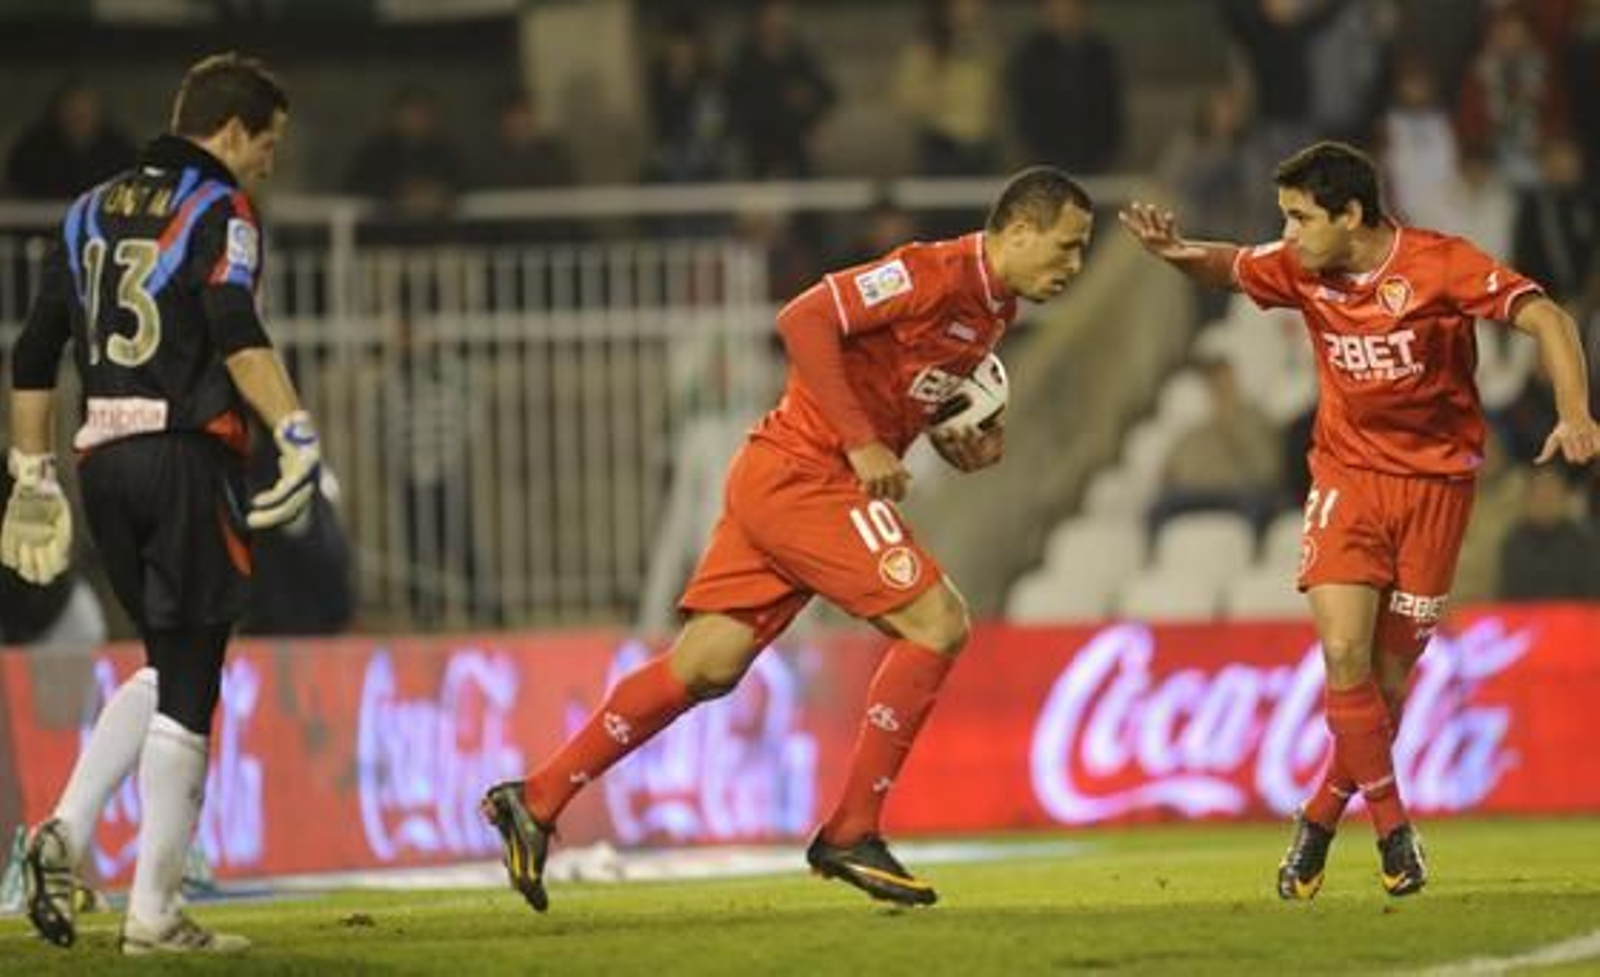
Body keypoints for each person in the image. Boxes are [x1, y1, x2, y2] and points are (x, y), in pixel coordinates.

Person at [482, 167, 1094, 911]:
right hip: (808, 474)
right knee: (938, 623)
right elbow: (803, 319)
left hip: (784, 476)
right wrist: (862, 442)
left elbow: (900, 384)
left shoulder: (996, 309)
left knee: (706, 665)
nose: (1074, 265)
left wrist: (957, 439)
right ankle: (851, 829)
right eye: (1067, 247)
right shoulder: (929, 272)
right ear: (1019, 231)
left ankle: (535, 798)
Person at [1120, 141, 1597, 899]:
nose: (1289, 233)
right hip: (1347, 480)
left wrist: (1574, 413)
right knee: (1343, 652)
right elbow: (1228, 264)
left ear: (1350, 215)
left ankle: (1317, 817)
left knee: (1388, 685)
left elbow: (1548, 317)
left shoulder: (1439, 264)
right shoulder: (1298, 266)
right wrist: (1175, 252)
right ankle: (1393, 829)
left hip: (1437, 490)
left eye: (1300, 217)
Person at [3, 52, 321, 953]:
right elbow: (235, 329)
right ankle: (153, 912)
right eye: (268, 143)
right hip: (185, 455)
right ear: (231, 131)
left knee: (168, 656)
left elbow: (34, 351)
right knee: (192, 677)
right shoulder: (219, 207)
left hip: (102, 463)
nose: (269, 162)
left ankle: (63, 831)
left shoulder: (85, 209)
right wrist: (295, 427)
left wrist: (30, 471)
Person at [4, 80, 136, 200]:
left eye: (86, 111)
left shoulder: (119, 151)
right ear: (57, 111)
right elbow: (18, 191)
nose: (79, 118)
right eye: (72, 110)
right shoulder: (34, 150)